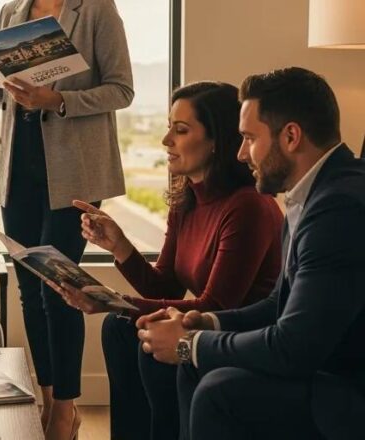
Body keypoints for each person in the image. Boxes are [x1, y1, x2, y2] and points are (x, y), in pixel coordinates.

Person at [137, 67, 365, 440]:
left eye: (249, 138)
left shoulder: (338, 208)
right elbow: (278, 304)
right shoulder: (311, 194)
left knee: (220, 391)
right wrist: (205, 323)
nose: (242, 153)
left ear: (290, 136)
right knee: (193, 365)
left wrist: (190, 344)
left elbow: (294, 347)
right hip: (324, 367)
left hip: (347, 387)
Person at [49, 81, 283, 440]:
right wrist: (120, 246)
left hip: (240, 336)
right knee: (118, 327)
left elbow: (215, 307)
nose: (166, 140)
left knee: (149, 340)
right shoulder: (187, 197)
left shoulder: (248, 206)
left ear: (217, 140)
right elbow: (166, 286)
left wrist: (114, 300)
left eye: (181, 130)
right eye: (169, 127)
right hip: (208, 322)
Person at [0, 0, 134, 437]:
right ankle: (49, 398)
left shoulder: (96, 10)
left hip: (75, 172)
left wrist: (58, 100)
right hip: (18, 170)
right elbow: (6, 95)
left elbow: (121, 90)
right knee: (30, 290)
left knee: (59, 289)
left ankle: (65, 408)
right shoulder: (13, 12)